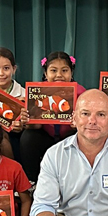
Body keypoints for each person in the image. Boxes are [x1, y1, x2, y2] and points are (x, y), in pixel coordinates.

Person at [18, 51, 85, 183]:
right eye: (53, 70)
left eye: (64, 70)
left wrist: (79, 125)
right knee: (28, 137)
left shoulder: (81, 93)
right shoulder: (37, 92)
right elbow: (35, 126)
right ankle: (32, 182)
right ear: (45, 73)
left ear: (71, 72)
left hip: (70, 137)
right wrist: (28, 121)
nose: (59, 75)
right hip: (46, 137)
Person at [0, 47, 28, 160]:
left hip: (16, 138)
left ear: (14, 69)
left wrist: (21, 126)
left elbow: (29, 123)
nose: (1, 73)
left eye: (6, 68)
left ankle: (13, 173)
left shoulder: (25, 94)